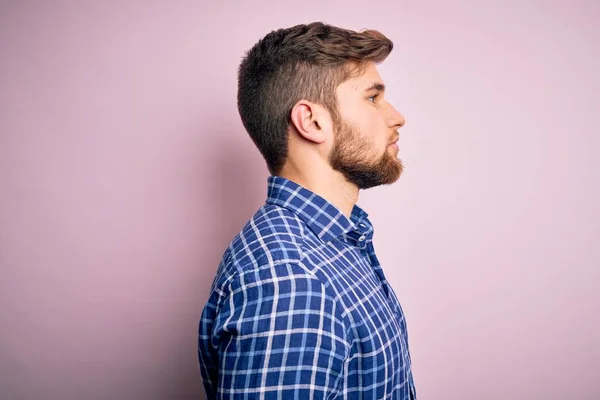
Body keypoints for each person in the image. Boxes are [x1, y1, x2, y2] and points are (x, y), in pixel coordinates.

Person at [198, 21, 416, 399]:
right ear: (312, 121)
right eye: (372, 98)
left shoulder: (337, 240)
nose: (396, 116)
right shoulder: (290, 283)